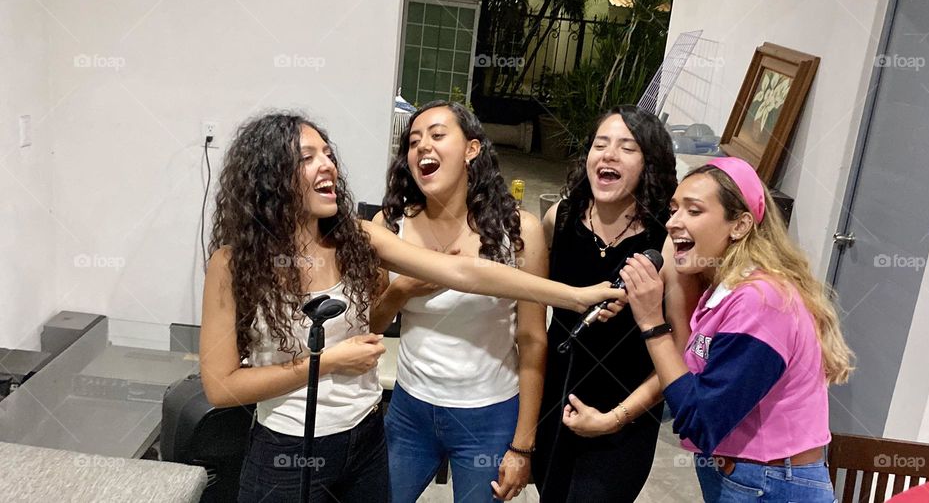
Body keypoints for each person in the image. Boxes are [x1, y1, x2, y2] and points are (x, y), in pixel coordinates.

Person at [198, 112, 623, 503]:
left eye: (327, 153)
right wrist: (325, 362)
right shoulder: (233, 265)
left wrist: (576, 295)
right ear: (269, 176)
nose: (327, 164)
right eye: (308, 157)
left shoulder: (358, 238)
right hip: (288, 447)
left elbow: (470, 274)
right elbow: (221, 387)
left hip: (366, 439)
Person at [619, 157, 855, 502]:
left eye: (694, 211)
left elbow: (701, 421)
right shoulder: (724, 292)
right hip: (745, 475)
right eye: (674, 209)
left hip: (771, 482)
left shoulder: (762, 302)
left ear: (740, 225)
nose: (673, 222)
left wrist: (653, 325)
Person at [372, 101, 546, 502]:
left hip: (488, 417)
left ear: (471, 149)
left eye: (436, 135)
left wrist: (522, 445)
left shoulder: (519, 233)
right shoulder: (390, 226)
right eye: (414, 142)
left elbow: (533, 339)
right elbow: (370, 325)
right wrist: (400, 291)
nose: (422, 148)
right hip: (409, 411)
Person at [534, 105, 701, 502]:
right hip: (555, 405)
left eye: (626, 148)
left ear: (650, 164)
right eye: (600, 144)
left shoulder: (667, 238)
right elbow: (533, 310)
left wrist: (615, 419)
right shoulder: (559, 217)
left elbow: (678, 354)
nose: (608, 155)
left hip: (626, 416)